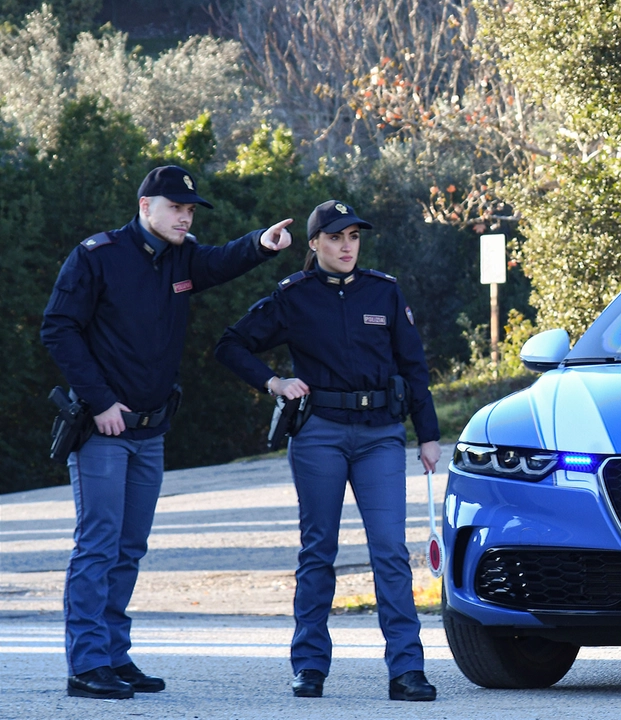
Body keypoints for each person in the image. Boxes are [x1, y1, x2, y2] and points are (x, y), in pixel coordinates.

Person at [41, 165, 294, 700]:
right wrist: (101, 400)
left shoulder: (181, 256)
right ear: (145, 207)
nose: (184, 217)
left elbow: (220, 261)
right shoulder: (97, 255)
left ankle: (113, 654)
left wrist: (262, 244)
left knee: (129, 547)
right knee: (99, 545)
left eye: (189, 210)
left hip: (151, 430)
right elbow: (57, 328)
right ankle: (86, 665)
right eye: (175, 207)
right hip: (103, 430)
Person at [214, 200, 442, 702]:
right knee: (319, 552)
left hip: (380, 434)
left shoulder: (384, 291)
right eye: (336, 238)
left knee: (389, 552)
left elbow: (414, 364)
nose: (346, 246)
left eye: (354, 237)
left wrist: (427, 433)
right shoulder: (293, 296)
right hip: (319, 434)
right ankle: (310, 667)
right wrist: (274, 381)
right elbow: (230, 345)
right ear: (314, 243)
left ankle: (407, 670)